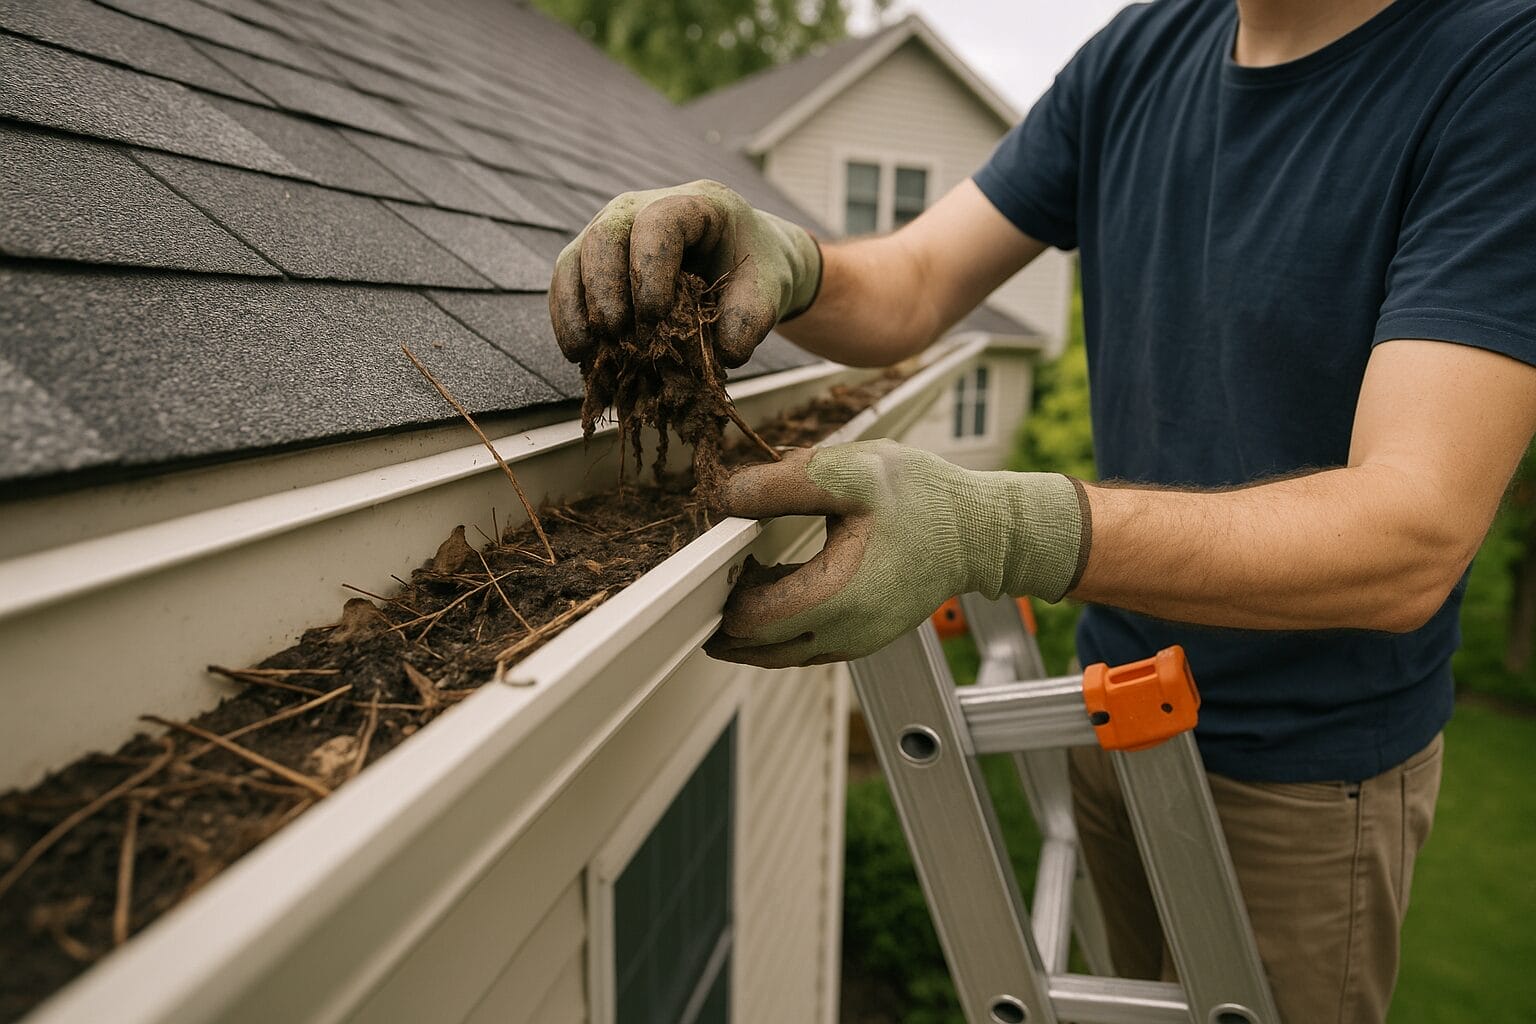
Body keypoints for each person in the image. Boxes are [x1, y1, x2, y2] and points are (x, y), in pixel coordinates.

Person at [548, 0, 1536, 1019]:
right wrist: (789, 260)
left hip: (1303, 782)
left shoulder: (1498, 68)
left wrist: (999, 530)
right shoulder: (1141, 53)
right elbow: (917, 280)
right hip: (1120, 708)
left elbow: (1412, 536)